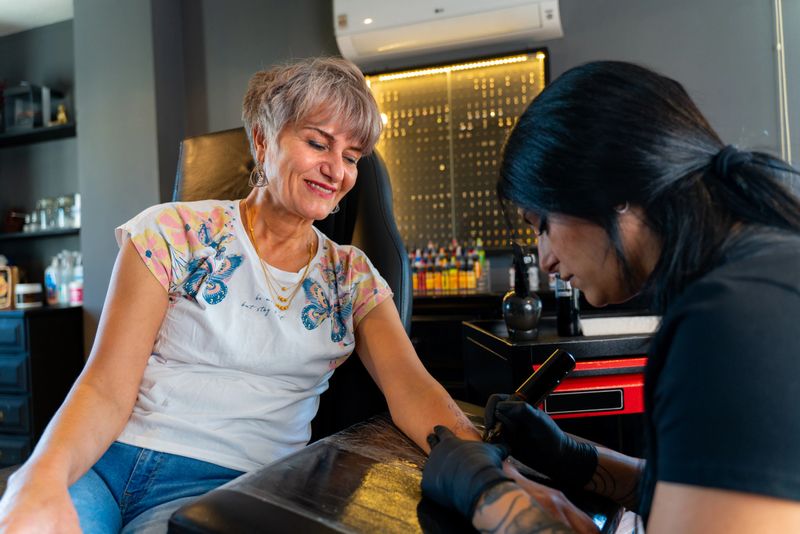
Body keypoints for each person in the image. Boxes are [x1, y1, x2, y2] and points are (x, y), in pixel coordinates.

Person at [0, 57, 487, 533]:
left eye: (352, 157)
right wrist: (38, 477)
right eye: (318, 143)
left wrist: (490, 481)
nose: (335, 169)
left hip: (222, 488)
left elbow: (414, 389)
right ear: (262, 139)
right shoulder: (171, 232)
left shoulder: (352, 278)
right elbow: (104, 386)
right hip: (105, 463)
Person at [421, 60, 800, 533]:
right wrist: (570, 457)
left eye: (541, 225)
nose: (545, 260)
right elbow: (694, 492)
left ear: (614, 190)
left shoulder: (734, 320)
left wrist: (487, 498)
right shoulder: (757, 274)